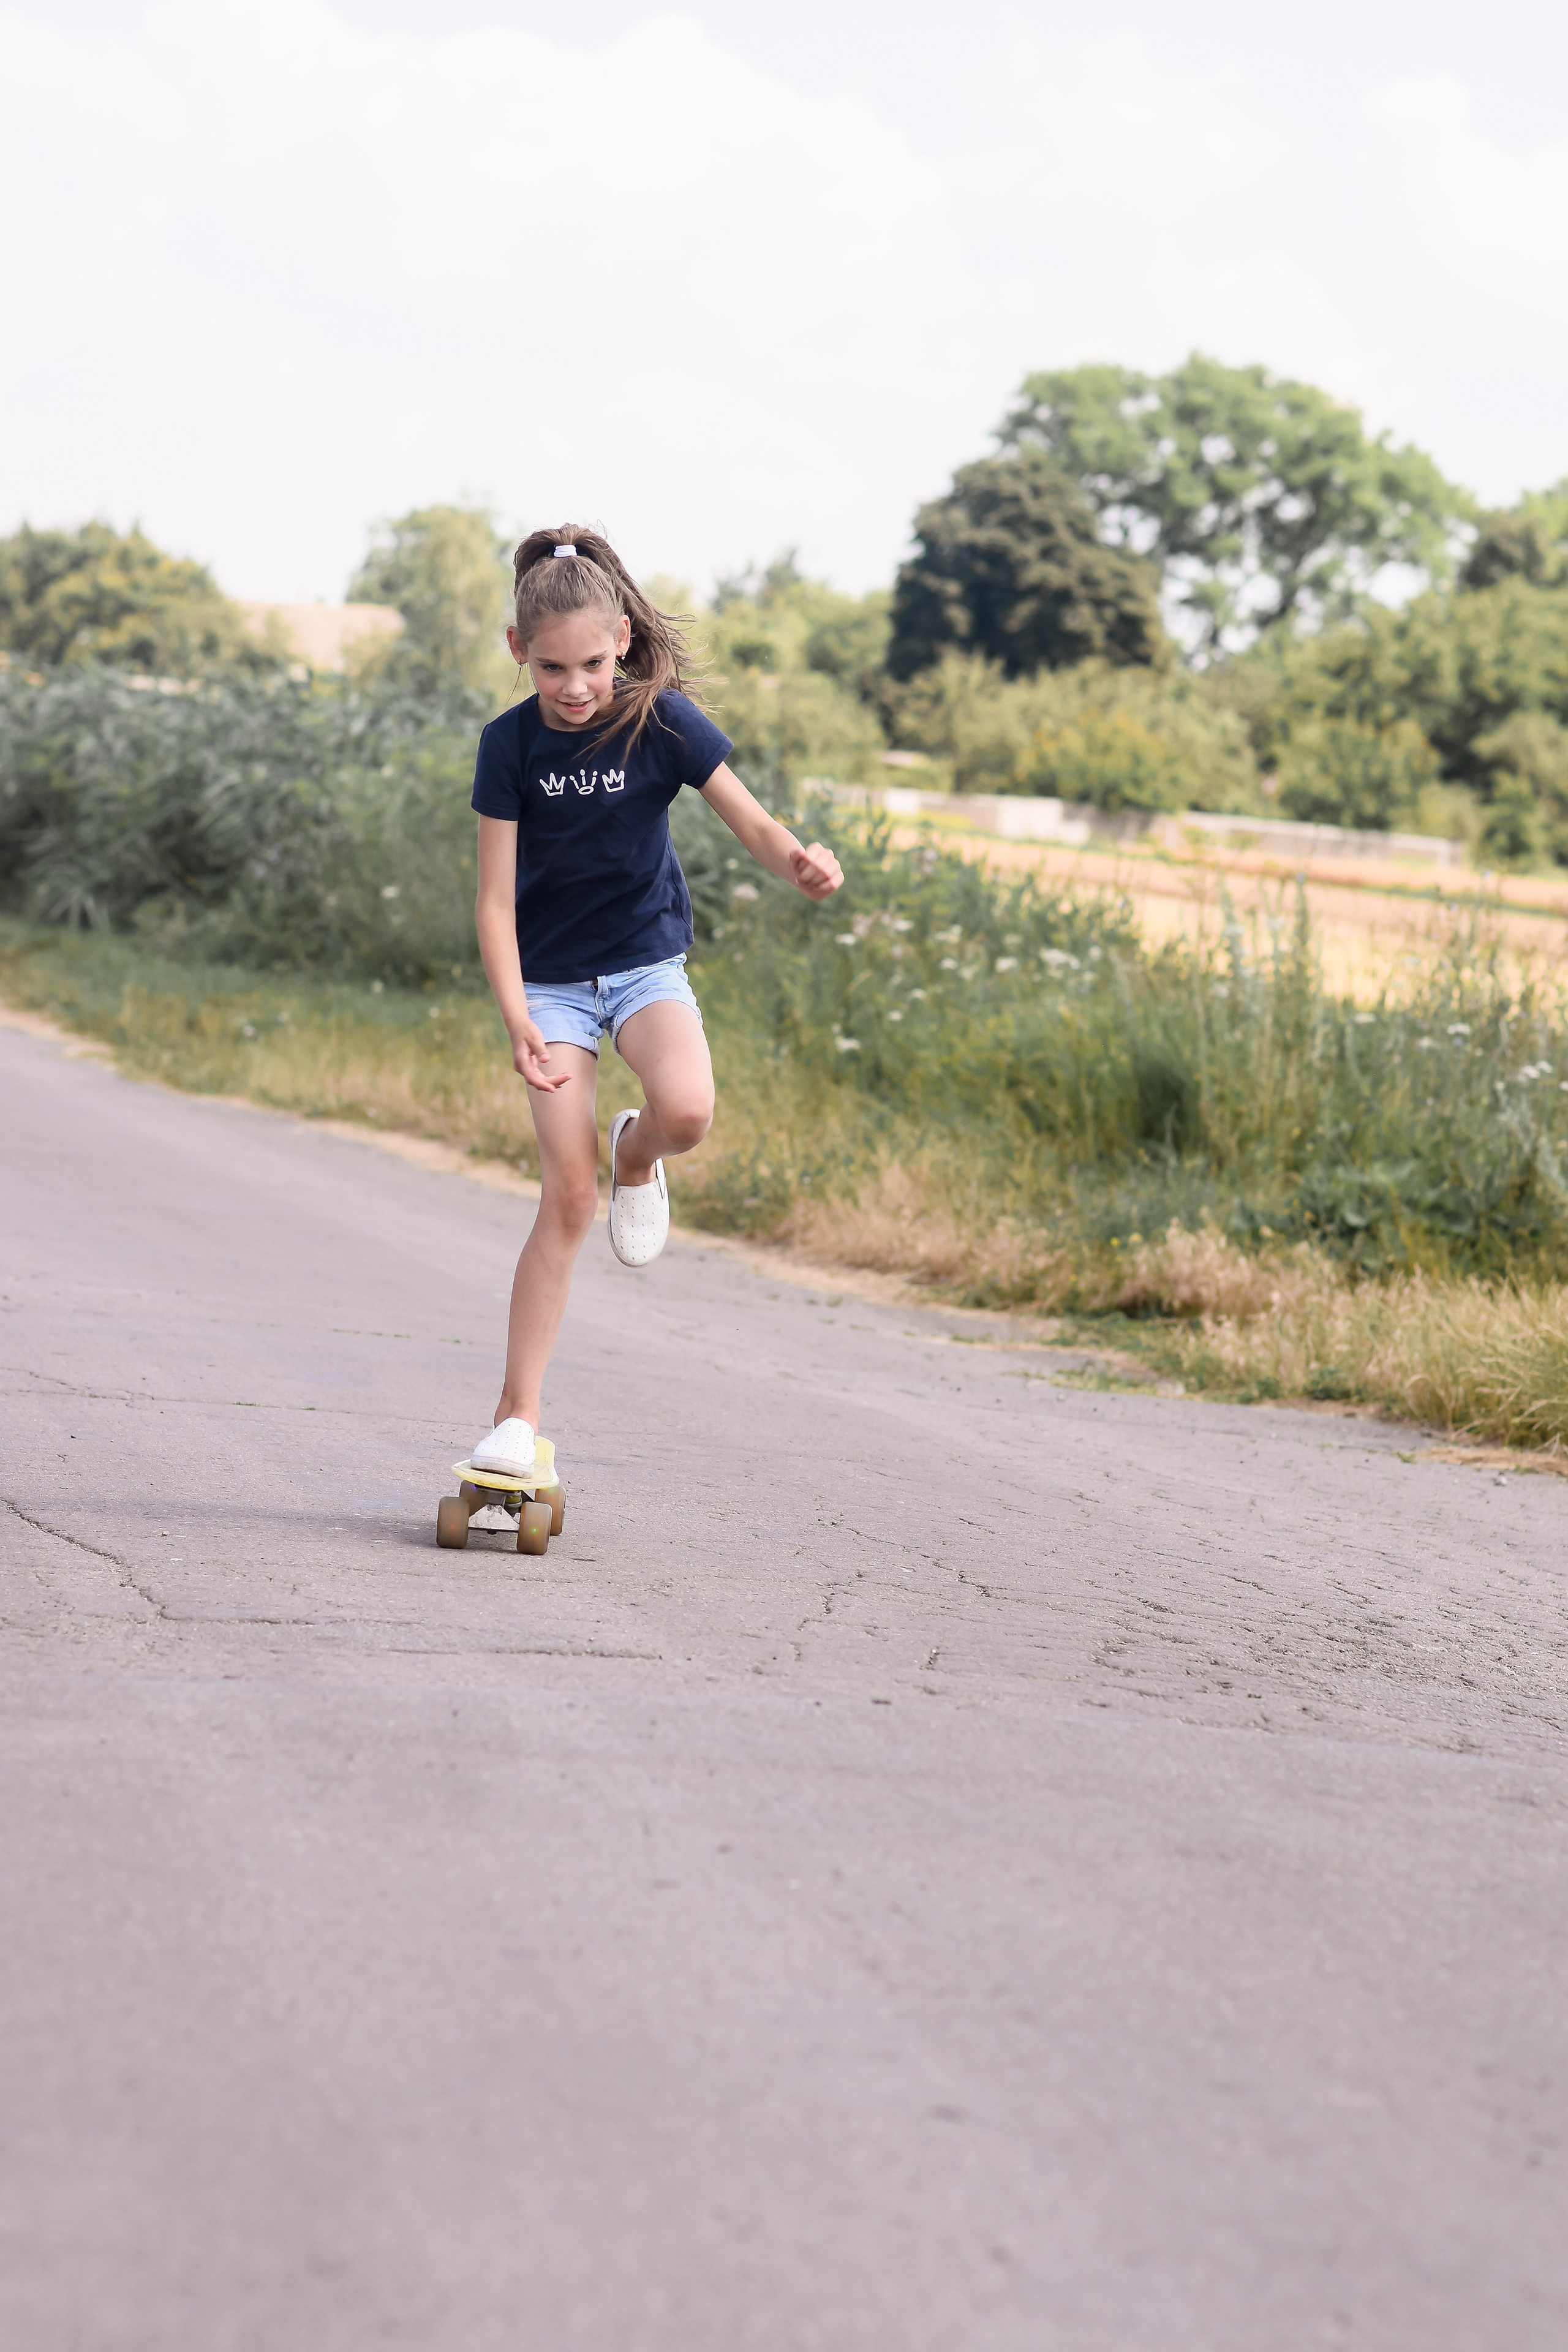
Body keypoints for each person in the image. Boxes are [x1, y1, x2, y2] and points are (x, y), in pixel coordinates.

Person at [466, 525, 844, 1482]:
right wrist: (518, 1017)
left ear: (624, 640)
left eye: (592, 662)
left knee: (687, 1113)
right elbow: (494, 900)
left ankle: (641, 1153)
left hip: (642, 969)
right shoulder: (508, 746)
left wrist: (798, 858)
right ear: (520, 653)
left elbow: (753, 821)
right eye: (552, 667)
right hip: (549, 985)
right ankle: (516, 1419)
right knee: (566, 1191)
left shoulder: (663, 724)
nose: (575, 686)